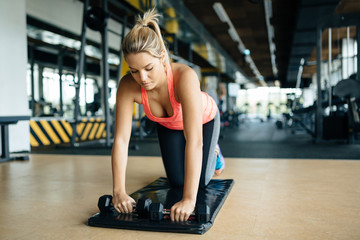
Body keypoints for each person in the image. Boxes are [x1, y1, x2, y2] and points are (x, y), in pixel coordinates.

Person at [111, 8, 224, 222]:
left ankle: (215, 154)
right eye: (134, 70)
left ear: (162, 57)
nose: (142, 78)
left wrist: (189, 200)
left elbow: (195, 141)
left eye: (148, 68)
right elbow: (121, 140)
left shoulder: (184, 77)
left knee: (198, 183)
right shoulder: (127, 86)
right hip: (169, 125)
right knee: (176, 181)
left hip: (204, 121)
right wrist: (119, 191)